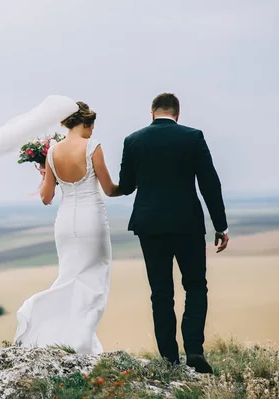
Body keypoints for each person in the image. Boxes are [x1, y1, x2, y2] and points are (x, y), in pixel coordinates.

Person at [118, 93, 229, 373]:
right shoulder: (193, 137)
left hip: (149, 225)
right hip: (187, 224)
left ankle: (169, 358)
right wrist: (220, 225)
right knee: (195, 286)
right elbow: (209, 184)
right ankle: (194, 350)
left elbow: (127, 185)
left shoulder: (133, 140)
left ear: (152, 113)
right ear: (177, 114)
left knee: (161, 292)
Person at [14, 102, 121, 354]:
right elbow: (109, 189)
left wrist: (44, 174)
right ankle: (80, 343)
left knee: (69, 277)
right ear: (85, 123)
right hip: (91, 220)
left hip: (64, 223)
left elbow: (46, 197)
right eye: (91, 126)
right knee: (94, 281)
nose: (92, 131)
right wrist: (132, 184)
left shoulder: (52, 152)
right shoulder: (92, 147)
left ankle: (61, 337)